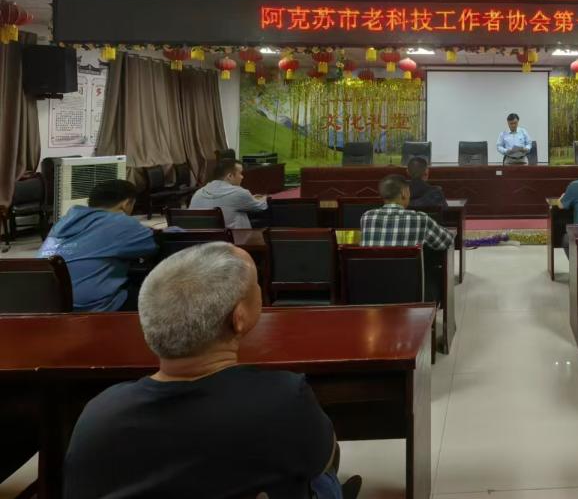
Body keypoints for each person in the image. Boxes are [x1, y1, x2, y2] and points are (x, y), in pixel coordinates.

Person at [63, 243, 361, 499]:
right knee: (322, 475)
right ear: (239, 318)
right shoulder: (283, 399)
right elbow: (322, 456)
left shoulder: (98, 415)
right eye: (256, 285)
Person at [38, 179, 157, 312]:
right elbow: (154, 245)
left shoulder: (63, 222)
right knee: (160, 294)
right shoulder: (119, 222)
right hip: (93, 308)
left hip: (46, 304)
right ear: (127, 203)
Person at [360, 175, 454, 251]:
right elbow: (447, 242)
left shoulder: (367, 217)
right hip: (407, 270)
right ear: (404, 193)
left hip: (372, 270)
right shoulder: (420, 219)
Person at [189, 158, 267, 229]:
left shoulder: (198, 193)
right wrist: (264, 198)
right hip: (232, 239)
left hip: (202, 239)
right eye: (240, 173)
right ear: (230, 176)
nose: (242, 177)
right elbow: (261, 207)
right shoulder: (239, 193)